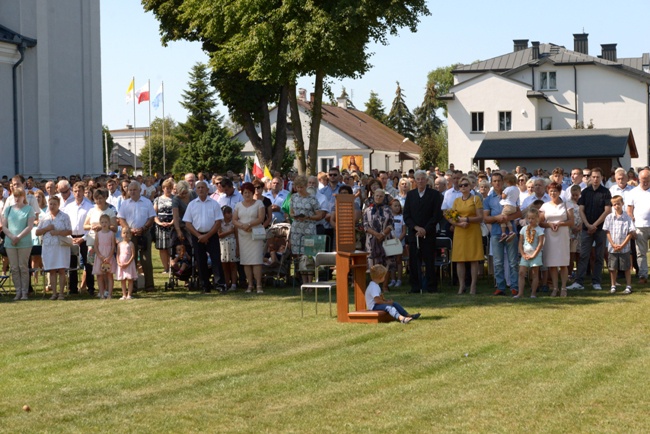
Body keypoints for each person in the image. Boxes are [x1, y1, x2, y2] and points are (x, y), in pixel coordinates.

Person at [568, 168, 611, 291]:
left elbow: (607, 210)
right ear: (590, 178)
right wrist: (587, 224)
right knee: (583, 255)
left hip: (600, 229)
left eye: (598, 177)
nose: (595, 179)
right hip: (586, 229)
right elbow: (581, 209)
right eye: (593, 177)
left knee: (598, 256)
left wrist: (594, 225)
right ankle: (579, 282)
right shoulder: (585, 192)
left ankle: (596, 281)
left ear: (602, 178)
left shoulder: (606, 192)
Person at [403, 170, 443, 293]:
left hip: (428, 233)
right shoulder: (410, 195)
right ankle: (415, 286)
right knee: (414, 261)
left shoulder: (435, 195)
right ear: (415, 181)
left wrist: (425, 229)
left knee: (429, 260)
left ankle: (431, 286)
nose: (420, 181)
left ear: (426, 180)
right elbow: (406, 215)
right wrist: (416, 228)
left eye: (422, 179)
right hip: (414, 233)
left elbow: (436, 215)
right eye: (418, 179)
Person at [183, 180, 226, 293]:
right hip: (197, 236)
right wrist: (199, 236)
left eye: (203, 187)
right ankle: (205, 285)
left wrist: (207, 236)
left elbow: (218, 222)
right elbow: (188, 223)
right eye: (199, 188)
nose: (201, 189)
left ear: (207, 190)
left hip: (211, 235)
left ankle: (219, 284)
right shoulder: (191, 205)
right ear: (196, 190)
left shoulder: (214, 204)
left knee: (216, 260)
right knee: (200, 261)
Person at [483, 172, 521, 296]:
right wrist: (497, 218)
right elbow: (486, 218)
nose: (497, 183)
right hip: (496, 233)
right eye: (494, 181)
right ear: (491, 183)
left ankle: (514, 287)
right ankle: (500, 287)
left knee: (513, 262)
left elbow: (519, 213)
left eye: (499, 180)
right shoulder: (488, 199)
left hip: (511, 233)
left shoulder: (510, 194)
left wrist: (507, 218)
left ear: (503, 181)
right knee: (498, 262)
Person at [446, 176, 484, 295]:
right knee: (459, 259)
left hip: (473, 231)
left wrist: (467, 219)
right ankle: (461, 286)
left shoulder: (476, 199)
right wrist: (458, 223)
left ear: (471, 186)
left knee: (473, 259)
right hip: (460, 231)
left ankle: (473, 285)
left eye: (465, 185)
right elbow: (450, 216)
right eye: (461, 185)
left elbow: (480, 217)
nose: (463, 187)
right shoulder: (456, 201)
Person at [117, 181, 156, 292]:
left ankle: (149, 286)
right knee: (130, 260)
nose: (132, 192)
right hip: (130, 236)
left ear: (140, 190)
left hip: (144, 234)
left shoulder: (147, 202)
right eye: (130, 190)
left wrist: (144, 228)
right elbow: (121, 219)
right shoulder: (125, 203)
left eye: (135, 190)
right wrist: (129, 230)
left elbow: (152, 217)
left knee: (146, 260)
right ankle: (132, 286)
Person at [539, 182, 574, 297]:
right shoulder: (544, 206)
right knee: (552, 264)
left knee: (563, 263)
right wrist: (549, 225)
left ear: (559, 192)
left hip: (562, 236)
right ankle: (555, 288)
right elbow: (540, 222)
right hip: (550, 236)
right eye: (551, 191)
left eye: (555, 191)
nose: (553, 193)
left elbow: (571, 221)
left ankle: (563, 287)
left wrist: (560, 223)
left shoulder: (566, 204)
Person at [290, 175, 326, 284]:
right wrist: (295, 216)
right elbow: (291, 212)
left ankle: (310, 282)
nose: (299, 189)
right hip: (297, 229)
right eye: (297, 187)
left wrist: (307, 217)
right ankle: (303, 282)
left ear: (306, 186)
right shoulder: (294, 197)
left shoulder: (312, 198)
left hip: (309, 228)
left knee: (309, 256)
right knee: (300, 256)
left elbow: (319, 215)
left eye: (301, 187)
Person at [2, 187, 36, 300]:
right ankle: (18, 291)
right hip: (10, 242)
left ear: (23, 197)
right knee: (14, 268)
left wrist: (18, 237)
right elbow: (4, 226)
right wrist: (12, 237)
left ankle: (25, 292)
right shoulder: (8, 209)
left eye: (19, 196)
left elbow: (30, 226)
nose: (17, 198)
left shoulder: (29, 209)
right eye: (15, 196)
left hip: (25, 242)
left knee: (23, 267)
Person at [35, 195, 71, 300]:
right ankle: (54, 293)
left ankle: (61, 293)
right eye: (50, 204)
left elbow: (69, 231)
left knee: (61, 270)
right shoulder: (45, 217)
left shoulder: (64, 216)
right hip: (48, 247)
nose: (52, 206)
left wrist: (58, 232)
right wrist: (47, 228)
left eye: (54, 204)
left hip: (61, 246)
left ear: (58, 205)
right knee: (52, 270)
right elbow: (37, 232)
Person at [61, 182, 94, 295]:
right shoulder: (68, 207)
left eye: (80, 191)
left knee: (88, 263)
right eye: (75, 191)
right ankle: (73, 289)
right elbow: (65, 223)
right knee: (72, 264)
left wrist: (83, 238)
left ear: (83, 191)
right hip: (71, 237)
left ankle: (90, 288)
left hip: (86, 238)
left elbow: (91, 226)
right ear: (72, 192)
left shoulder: (90, 206)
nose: (77, 193)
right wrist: (70, 237)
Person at [233, 182, 266, 293]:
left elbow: (261, 218)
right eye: (245, 192)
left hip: (255, 235)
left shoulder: (259, 203)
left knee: (256, 260)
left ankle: (259, 285)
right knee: (246, 261)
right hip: (243, 235)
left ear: (253, 193)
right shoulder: (238, 205)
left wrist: (249, 224)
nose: (247, 194)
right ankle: (250, 285)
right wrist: (242, 226)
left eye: (249, 192)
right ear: (242, 193)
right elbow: (234, 220)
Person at [363, 189, 395, 293]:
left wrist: (383, 234)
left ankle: (385, 287)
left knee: (387, 263)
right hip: (371, 240)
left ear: (384, 197)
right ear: (373, 196)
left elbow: (391, 224)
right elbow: (365, 226)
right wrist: (376, 234)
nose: (378, 198)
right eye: (377, 196)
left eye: (381, 196)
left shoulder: (388, 210)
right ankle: (374, 288)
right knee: (373, 263)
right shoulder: (367, 210)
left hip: (386, 239)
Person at [604, 195, 635, 294]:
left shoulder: (627, 218)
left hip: (624, 248)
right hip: (612, 248)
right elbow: (607, 231)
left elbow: (630, 232)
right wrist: (612, 244)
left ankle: (628, 286)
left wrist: (622, 245)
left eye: (618, 204)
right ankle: (613, 285)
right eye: (614, 204)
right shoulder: (609, 217)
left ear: (622, 204)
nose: (616, 206)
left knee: (626, 267)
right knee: (612, 268)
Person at [626, 168, 650, 284]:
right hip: (640, 226)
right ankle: (643, 276)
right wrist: (632, 228)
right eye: (643, 180)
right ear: (638, 179)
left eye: (647, 180)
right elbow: (629, 212)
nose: (645, 182)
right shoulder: (633, 193)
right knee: (640, 253)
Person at [516, 208, 544, 298]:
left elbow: (540, 244)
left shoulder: (539, 230)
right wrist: (522, 253)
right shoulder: (524, 229)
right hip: (525, 254)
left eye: (533, 218)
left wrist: (534, 255)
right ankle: (520, 293)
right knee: (521, 272)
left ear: (537, 219)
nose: (531, 220)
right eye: (529, 218)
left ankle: (533, 293)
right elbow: (520, 242)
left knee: (535, 273)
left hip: (535, 254)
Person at [92, 214, 117, 299]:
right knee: (100, 275)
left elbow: (113, 246)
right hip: (100, 256)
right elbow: (95, 245)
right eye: (102, 222)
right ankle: (101, 293)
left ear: (109, 223)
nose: (104, 224)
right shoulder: (98, 234)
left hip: (108, 255)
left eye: (106, 222)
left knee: (109, 275)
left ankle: (109, 294)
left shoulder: (111, 233)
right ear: (100, 223)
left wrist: (109, 257)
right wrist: (100, 256)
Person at [153, 178, 175, 273]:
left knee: (172, 247)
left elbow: (177, 213)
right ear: (163, 188)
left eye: (169, 188)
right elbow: (154, 214)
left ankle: (172, 268)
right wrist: (159, 223)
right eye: (166, 188)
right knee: (162, 248)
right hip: (160, 227)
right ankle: (166, 268)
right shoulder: (157, 199)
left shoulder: (175, 199)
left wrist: (171, 223)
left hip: (172, 226)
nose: (168, 189)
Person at [218, 205, 239, 291]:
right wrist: (230, 231)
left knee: (233, 265)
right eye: (228, 213)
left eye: (230, 212)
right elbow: (219, 235)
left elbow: (237, 235)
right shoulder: (220, 223)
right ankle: (226, 283)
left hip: (232, 244)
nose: (230, 215)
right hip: (223, 244)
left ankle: (233, 284)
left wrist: (238, 247)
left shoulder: (234, 223)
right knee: (225, 265)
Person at [388, 199, 405, 288]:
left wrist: (398, 240)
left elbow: (404, 231)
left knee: (398, 261)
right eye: (395, 206)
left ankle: (399, 279)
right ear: (390, 207)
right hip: (390, 242)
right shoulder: (388, 217)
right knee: (391, 261)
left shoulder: (402, 217)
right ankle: (392, 279)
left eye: (398, 206)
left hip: (399, 242)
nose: (397, 207)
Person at [116, 227, 137, 300]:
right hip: (121, 264)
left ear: (130, 234)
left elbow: (133, 255)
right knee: (123, 279)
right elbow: (118, 254)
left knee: (130, 279)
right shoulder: (119, 244)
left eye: (127, 233)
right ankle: (124, 294)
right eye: (124, 233)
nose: (126, 234)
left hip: (129, 264)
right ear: (121, 234)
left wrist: (128, 263)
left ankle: (129, 294)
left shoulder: (131, 244)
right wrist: (118, 262)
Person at [498, 173, 519, 241]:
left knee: (502, 218)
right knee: (507, 220)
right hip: (514, 206)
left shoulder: (508, 189)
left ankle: (504, 233)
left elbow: (503, 197)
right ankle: (510, 232)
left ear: (507, 182)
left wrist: (502, 194)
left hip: (508, 206)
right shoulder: (516, 189)